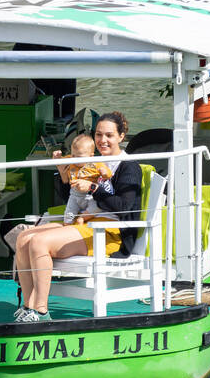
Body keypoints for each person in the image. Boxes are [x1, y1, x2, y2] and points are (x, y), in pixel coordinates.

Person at [13, 112, 140, 322]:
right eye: (99, 134)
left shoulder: (128, 166)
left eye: (109, 135)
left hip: (108, 233)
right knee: (23, 238)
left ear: (121, 136)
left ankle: (41, 311)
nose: (102, 140)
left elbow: (124, 207)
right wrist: (63, 173)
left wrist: (93, 187)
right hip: (84, 222)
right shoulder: (93, 160)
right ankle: (29, 307)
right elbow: (71, 196)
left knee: (38, 243)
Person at [56, 133, 112, 225]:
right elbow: (61, 162)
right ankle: (67, 224)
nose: (74, 159)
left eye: (79, 157)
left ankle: (83, 218)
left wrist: (105, 173)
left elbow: (108, 174)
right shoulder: (71, 159)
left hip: (90, 195)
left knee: (97, 207)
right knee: (69, 213)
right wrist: (57, 158)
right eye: (73, 155)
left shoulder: (96, 163)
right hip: (74, 194)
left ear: (91, 156)